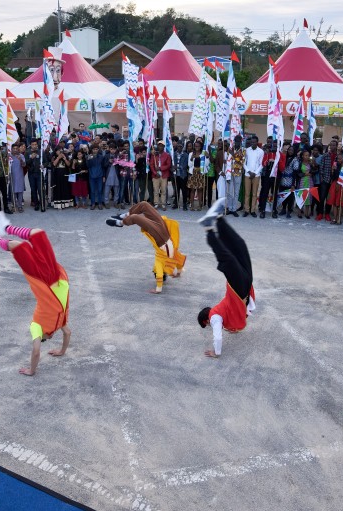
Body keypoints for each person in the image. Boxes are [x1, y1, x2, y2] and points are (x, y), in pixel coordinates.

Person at [0, 214, 71, 376]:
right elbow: (67, 333)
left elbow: (37, 350)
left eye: (48, 337)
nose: (51, 336)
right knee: (38, 233)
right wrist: (61, 351)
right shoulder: (59, 324)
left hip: (40, 280)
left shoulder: (36, 327)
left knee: (18, 246)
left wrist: (32, 370)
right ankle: (7, 228)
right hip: (55, 275)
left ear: (45, 336)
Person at [196, 198, 255, 358]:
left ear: (206, 321)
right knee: (240, 247)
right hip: (244, 287)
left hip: (240, 289)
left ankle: (210, 227)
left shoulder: (215, 317)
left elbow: (218, 335)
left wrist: (217, 352)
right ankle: (219, 219)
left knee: (229, 259)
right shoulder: (218, 310)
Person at [106, 201, 186, 293]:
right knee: (142, 208)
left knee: (142, 209)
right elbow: (161, 274)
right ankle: (122, 220)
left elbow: (179, 261)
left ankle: (122, 219)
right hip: (162, 237)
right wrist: (158, 289)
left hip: (163, 233)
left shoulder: (160, 260)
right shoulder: (160, 262)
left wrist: (179, 272)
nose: (155, 270)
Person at [242, 136, 264, 216]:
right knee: (247, 194)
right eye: (252, 142)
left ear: (257, 142)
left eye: (254, 142)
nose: (253, 143)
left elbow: (262, 164)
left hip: (256, 175)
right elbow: (243, 162)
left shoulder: (261, 151)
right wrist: (249, 171)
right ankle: (246, 210)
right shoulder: (247, 150)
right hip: (247, 174)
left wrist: (255, 173)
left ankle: (253, 210)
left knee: (254, 194)